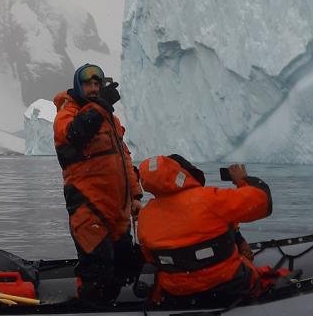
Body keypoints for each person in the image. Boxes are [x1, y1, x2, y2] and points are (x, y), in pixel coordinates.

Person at [53, 64, 143, 302]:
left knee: (122, 265)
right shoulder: (67, 112)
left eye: (97, 84)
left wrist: (135, 195)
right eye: (88, 84)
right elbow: (73, 134)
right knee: (96, 268)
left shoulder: (109, 118)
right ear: (77, 86)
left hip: (118, 206)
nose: (93, 88)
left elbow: (124, 158)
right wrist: (100, 106)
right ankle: (89, 312)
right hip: (88, 205)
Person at [135, 154, 274, 302]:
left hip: (177, 292)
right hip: (227, 284)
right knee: (258, 273)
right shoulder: (209, 199)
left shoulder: (145, 216)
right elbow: (262, 202)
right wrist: (243, 180)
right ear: (184, 172)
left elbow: (151, 258)